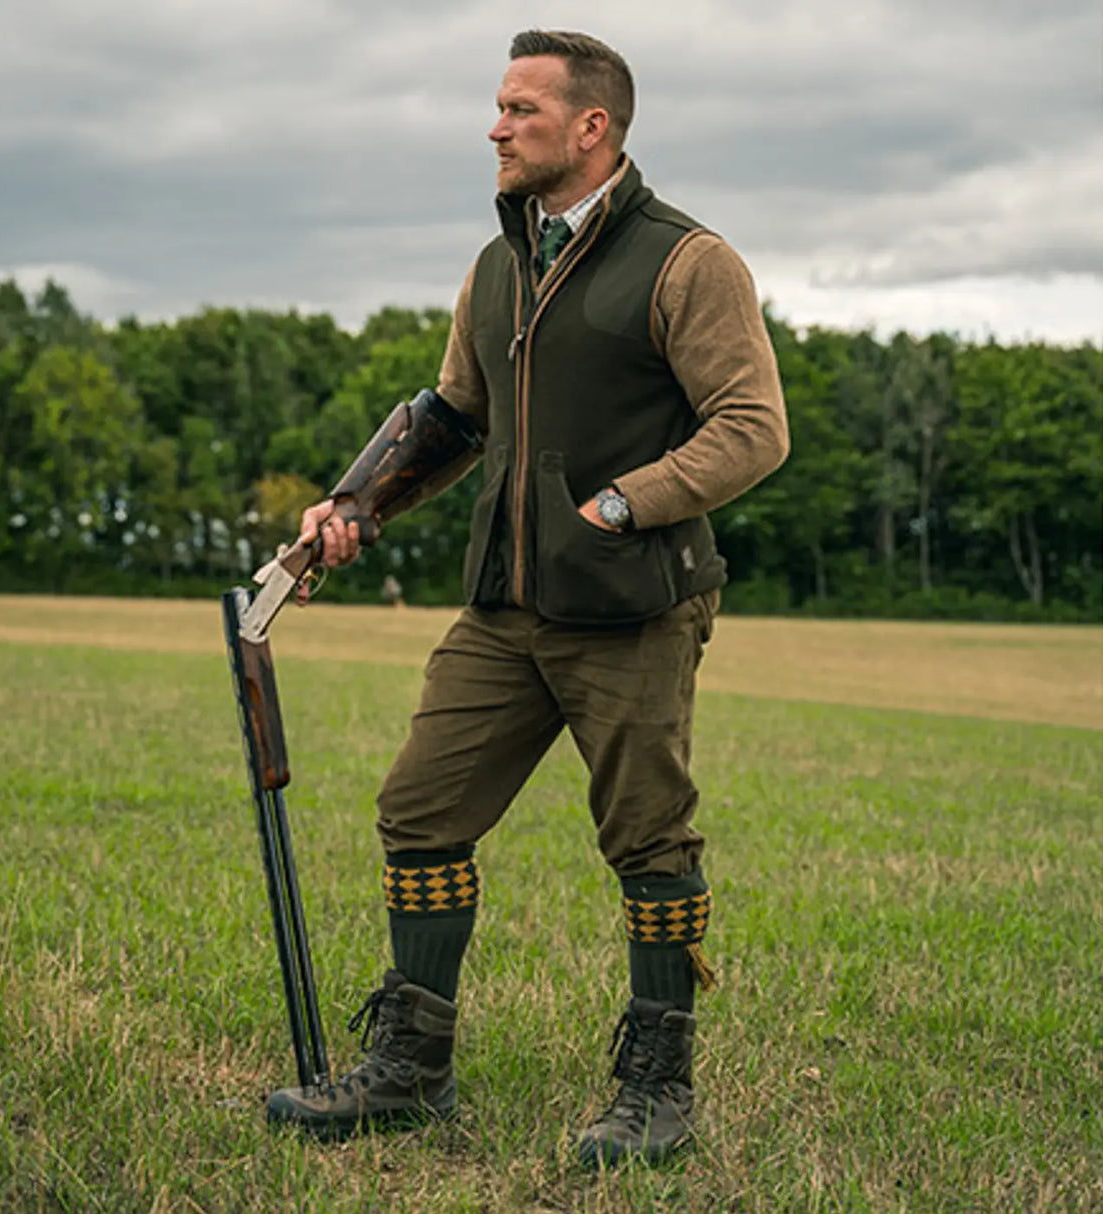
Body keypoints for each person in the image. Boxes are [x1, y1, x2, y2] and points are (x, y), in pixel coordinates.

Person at [268, 29, 788, 1167]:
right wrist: (352, 503)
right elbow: (453, 414)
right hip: (502, 607)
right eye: (496, 108)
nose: (494, 128)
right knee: (419, 809)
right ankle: (410, 1067)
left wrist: (625, 503)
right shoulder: (497, 262)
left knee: (646, 840)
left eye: (518, 110)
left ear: (590, 126)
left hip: (634, 607)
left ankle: (657, 1087)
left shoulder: (687, 262)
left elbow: (752, 428)